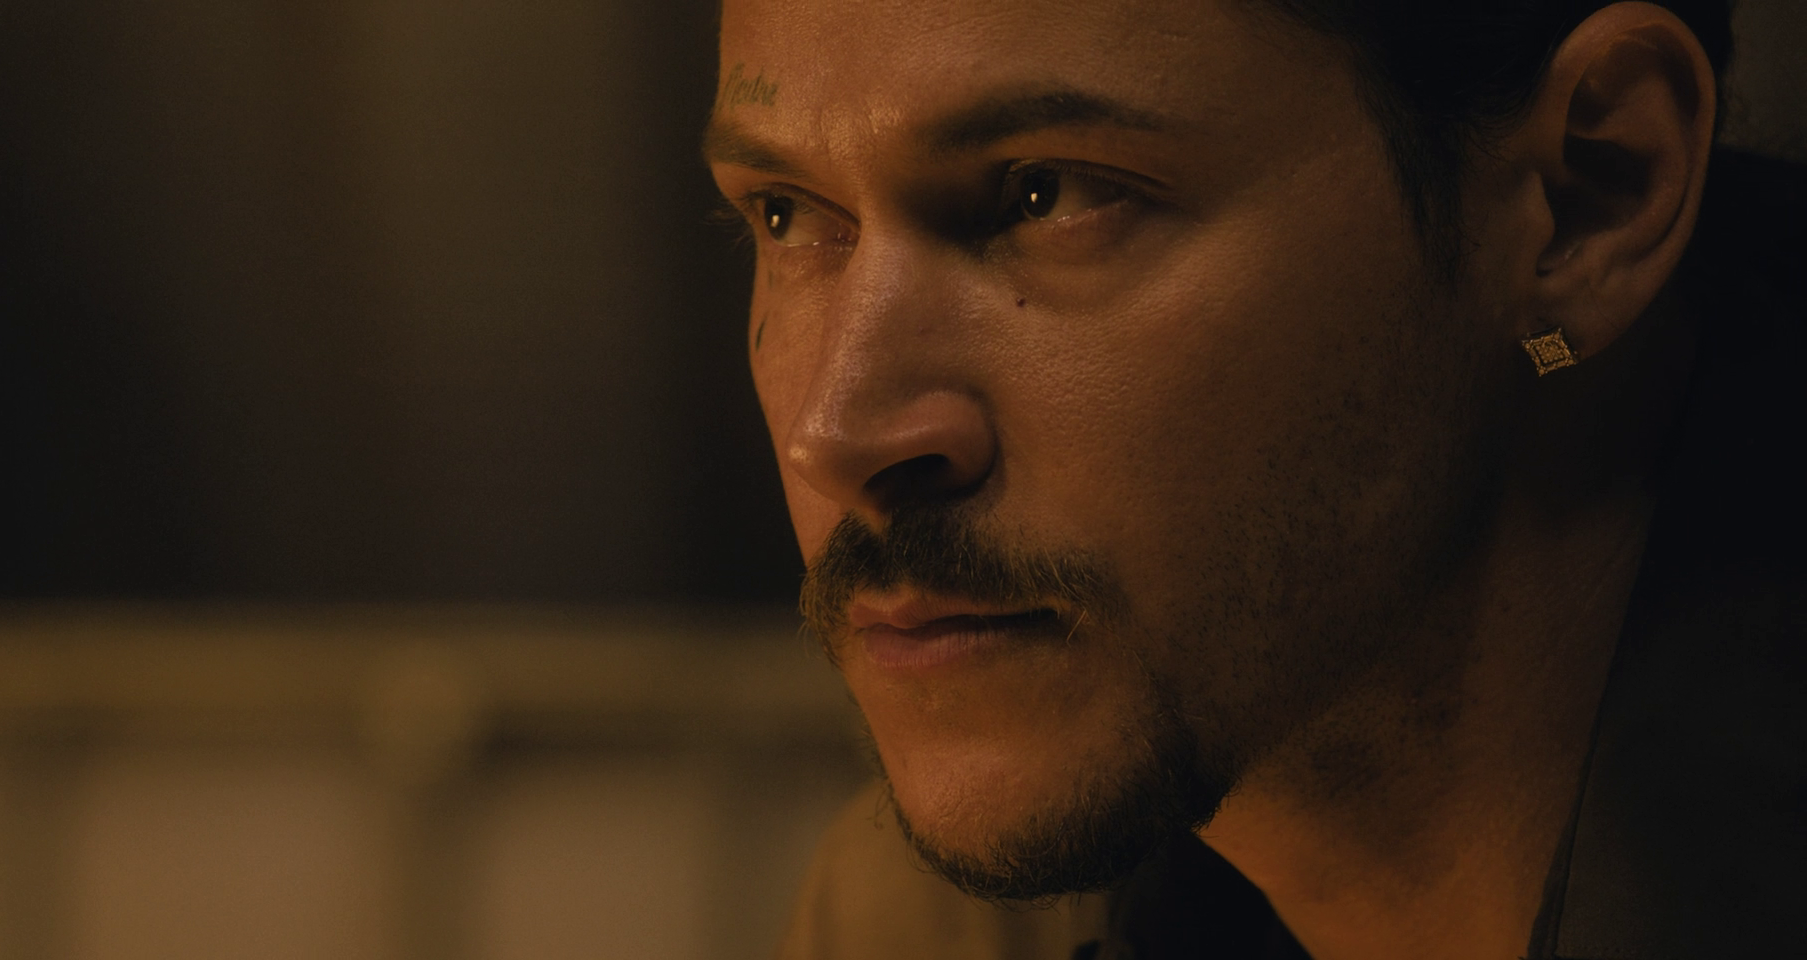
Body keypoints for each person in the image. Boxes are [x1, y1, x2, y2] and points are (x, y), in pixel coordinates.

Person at [700, 1, 1805, 957]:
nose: (834, 434)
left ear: (1586, 201)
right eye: (785, 213)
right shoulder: (942, 925)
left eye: (1048, 195)